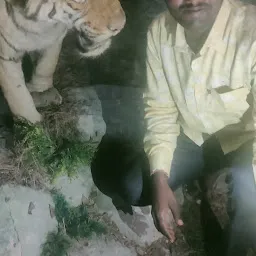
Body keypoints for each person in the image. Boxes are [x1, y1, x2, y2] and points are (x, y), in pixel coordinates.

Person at [91, 0, 256, 254]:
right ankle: (209, 177)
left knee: (250, 207)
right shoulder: (159, 31)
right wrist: (159, 178)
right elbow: (160, 108)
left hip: (247, 142)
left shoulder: (250, 30)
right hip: (195, 138)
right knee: (134, 186)